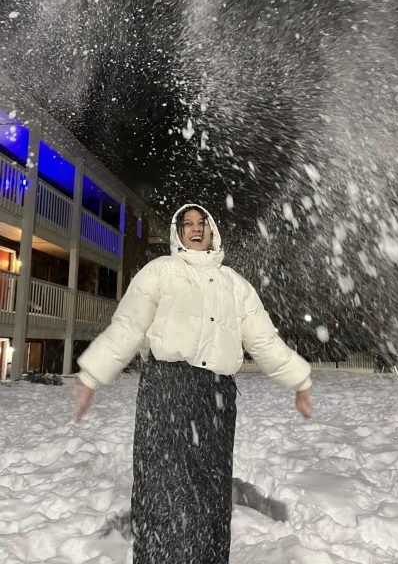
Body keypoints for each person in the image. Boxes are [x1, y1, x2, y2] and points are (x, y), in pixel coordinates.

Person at [73, 203, 312, 564]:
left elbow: (264, 341)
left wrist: (299, 379)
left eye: (202, 223)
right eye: (188, 223)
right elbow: (128, 326)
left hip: (216, 396)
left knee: (211, 490)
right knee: (162, 488)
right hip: (167, 390)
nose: (196, 228)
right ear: (178, 233)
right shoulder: (160, 271)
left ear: (212, 231)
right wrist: (92, 374)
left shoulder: (235, 285)